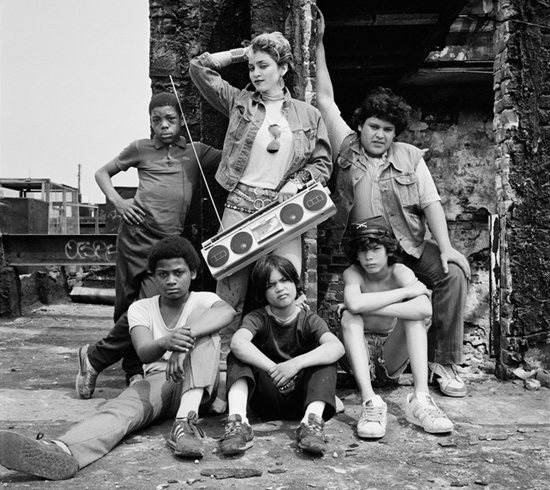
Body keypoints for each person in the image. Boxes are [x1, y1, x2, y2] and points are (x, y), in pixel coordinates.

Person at [315, 10, 470, 398]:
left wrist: (446, 247)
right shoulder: (345, 145)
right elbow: (324, 98)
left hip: (407, 246)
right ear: (360, 125)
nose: (380, 135)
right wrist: (318, 42)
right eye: (374, 126)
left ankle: (443, 363)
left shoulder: (409, 157)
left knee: (452, 273)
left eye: (388, 129)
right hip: (362, 249)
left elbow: (431, 202)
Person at [0, 236, 236, 480]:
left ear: (193, 273)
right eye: (163, 274)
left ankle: (185, 422)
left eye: (179, 273)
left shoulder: (203, 299)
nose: (171, 280)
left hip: (201, 385)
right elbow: (144, 351)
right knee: (121, 409)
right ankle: (63, 449)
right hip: (162, 379)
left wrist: (183, 344)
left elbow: (226, 311)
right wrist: (167, 341)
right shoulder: (141, 308)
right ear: (153, 277)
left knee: (204, 324)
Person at [188, 31, 332, 354]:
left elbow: (323, 163)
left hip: (283, 213)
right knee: (228, 300)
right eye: (252, 67)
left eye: (263, 65)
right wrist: (244, 52)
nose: (255, 73)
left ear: (283, 69)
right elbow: (199, 68)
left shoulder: (308, 114)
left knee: (289, 295)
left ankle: (288, 368)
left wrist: (297, 182)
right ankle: (219, 369)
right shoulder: (239, 102)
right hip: (239, 207)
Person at [76, 92, 222, 398]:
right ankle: (132, 370)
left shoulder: (196, 152)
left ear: (182, 120)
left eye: (170, 119)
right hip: (135, 236)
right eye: (157, 120)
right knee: (125, 305)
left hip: (165, 245)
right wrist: (118, 202)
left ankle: (93, 358)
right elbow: (102, 173)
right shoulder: (140, 148)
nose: (164, 126)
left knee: (146, 304)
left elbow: (233, 157)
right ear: (150, 123)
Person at [217, 255, 345, 456]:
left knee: (326, 359)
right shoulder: (257, 317)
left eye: (285, 280)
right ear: (263, 292)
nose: (280, 288)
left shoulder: (309, 319)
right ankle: (238, 423)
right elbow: (238, 343)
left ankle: (311, 423)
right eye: (271, 285)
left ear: (295, 283)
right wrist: (274, 369)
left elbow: (337, 347)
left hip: (302, 400)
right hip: (267, 399)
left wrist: (295, 364)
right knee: (237, 356)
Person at [340, 216, 454, 438]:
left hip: (389, 356)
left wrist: (369, 307)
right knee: (349, 317)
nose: (369, 257)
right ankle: (370, 401)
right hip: (357, 355)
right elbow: (353, 304)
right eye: (362, 251)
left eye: (375, 249)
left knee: (414, 318)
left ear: (387, 249)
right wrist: (406, 292)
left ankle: (421, 398)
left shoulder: (400, 271)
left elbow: (425, 309)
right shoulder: (353, 272)